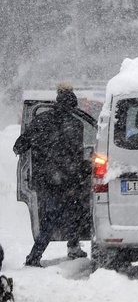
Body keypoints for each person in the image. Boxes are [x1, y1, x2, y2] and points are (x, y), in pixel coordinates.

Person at [14, 84, 89, 266]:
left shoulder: (41, 120)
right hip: (68, 180)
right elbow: (77, 156)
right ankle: (67, 249)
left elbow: (19, 145)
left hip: (46, 179)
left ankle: (39, 255)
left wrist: (35, 151)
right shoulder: (76, 125)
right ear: (73, 106)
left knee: (51, 218)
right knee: (74, 213)